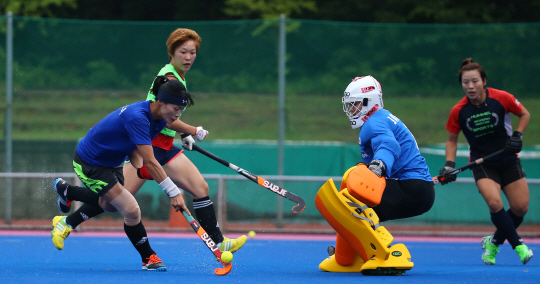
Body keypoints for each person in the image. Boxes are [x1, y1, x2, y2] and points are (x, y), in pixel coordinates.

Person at [53, 28, 246, 254]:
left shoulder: (178, 76)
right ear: (171, 52)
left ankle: (219, 242)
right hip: (148, 146)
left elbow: (171, 117)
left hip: (165, 146)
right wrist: (194, 130)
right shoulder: (170, 78)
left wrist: (184, 135)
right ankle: (68, 207)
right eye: (183, 52)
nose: (188, 57)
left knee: (200, 187)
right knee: (114, 203)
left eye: (193, 53)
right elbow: (162, 116)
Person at [51, 76, 192, 271]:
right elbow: (151, 161)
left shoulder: (159, 118)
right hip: (91, 162)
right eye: (176, 109)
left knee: (109, 205)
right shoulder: (138, 117)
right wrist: (173, 191)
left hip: (114, 160)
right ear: (161, 102)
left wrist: (190, 133)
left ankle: (68, 193)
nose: (178, 114)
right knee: (131, 209)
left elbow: (138, 151)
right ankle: (149, 258)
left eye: (181, 110)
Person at [317, 75, 435, 274]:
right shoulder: (382, 117)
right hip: (418, 189)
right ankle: (346, 257)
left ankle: (386, 255)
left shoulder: (373, 123)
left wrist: (379, 165)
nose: (351, 110)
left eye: (354, 105)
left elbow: (389, 145)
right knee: (350, 202)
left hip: (410, 187)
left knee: (351, 196)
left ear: (368, 103)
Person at [439, 58, 533, 265]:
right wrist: (449, 165)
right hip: (483, 164)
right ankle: (519, 245)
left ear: (484, 81)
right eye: (465, 83)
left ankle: (493, 241)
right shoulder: (459, 110)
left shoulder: (502, 98)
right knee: (494, 202)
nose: (470, 87)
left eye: (474, 81)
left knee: (520, 208)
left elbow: (524, 114)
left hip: (508, 160)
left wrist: (517, 136)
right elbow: (452, 140)